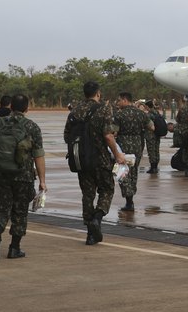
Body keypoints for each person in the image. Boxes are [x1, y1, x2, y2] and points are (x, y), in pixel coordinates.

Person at [0, 94, 46, 261]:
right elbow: (38, 156)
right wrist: (42, 181)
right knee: (20, 212)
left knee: (0, 209)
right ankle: (14, 248)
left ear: (10, 107)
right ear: (26, 108)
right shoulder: (32, 127)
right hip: (23, 177)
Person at [64, 81, 125, 245]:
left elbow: (67, 136)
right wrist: (118, 154)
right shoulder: (103, 109)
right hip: (100, 159)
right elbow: (108, 135)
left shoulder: (75, 111)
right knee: (107, 189)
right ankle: (97, 218)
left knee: (87, 194)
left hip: (82, 161)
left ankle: (91, 234)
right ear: (98, 93)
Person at [114, 92, 154, 211]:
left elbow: (114, 132)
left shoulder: (119, 115)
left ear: (125, 100)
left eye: (119, 100)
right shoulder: (141, 113)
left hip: (123, 145)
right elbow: (152, 127)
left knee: (122, 171)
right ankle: (131, 196)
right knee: (133, 170)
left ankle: (129, 200)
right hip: (138, 145)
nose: (118, 103)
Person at [144, 100, 162, 174]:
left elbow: (147, 125)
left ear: (147, 106)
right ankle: (156, 166)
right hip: (157, 134)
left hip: (150, 135)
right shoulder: (157, 112)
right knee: (156, 150)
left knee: (151, 151)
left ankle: (153, 167)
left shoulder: (148, 115)